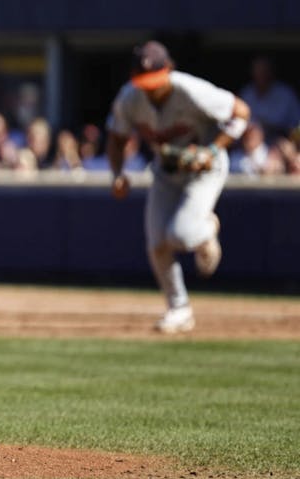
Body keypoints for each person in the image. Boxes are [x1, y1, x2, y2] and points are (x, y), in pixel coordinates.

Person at [105, 40, 251, 334]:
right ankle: (179, 308)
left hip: (205, 169)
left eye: (155, 81)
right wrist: (117, 174)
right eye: (144, 82)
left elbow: (241, 113)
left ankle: (207, 228)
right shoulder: (130, 97)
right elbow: (116, 138)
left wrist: (211, 150)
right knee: (157, 243)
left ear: (168, 69)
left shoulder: (191, 90)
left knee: (181, 234)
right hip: (165, 170)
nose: (150, 88)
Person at [237, 55, 300, 141]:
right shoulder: (247, 93)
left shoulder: (286, 94)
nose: (261, 75)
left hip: (280, 145)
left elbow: (296, 127)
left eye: (264, 71)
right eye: (257, 71)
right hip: (249, 146)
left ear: (271, 72)